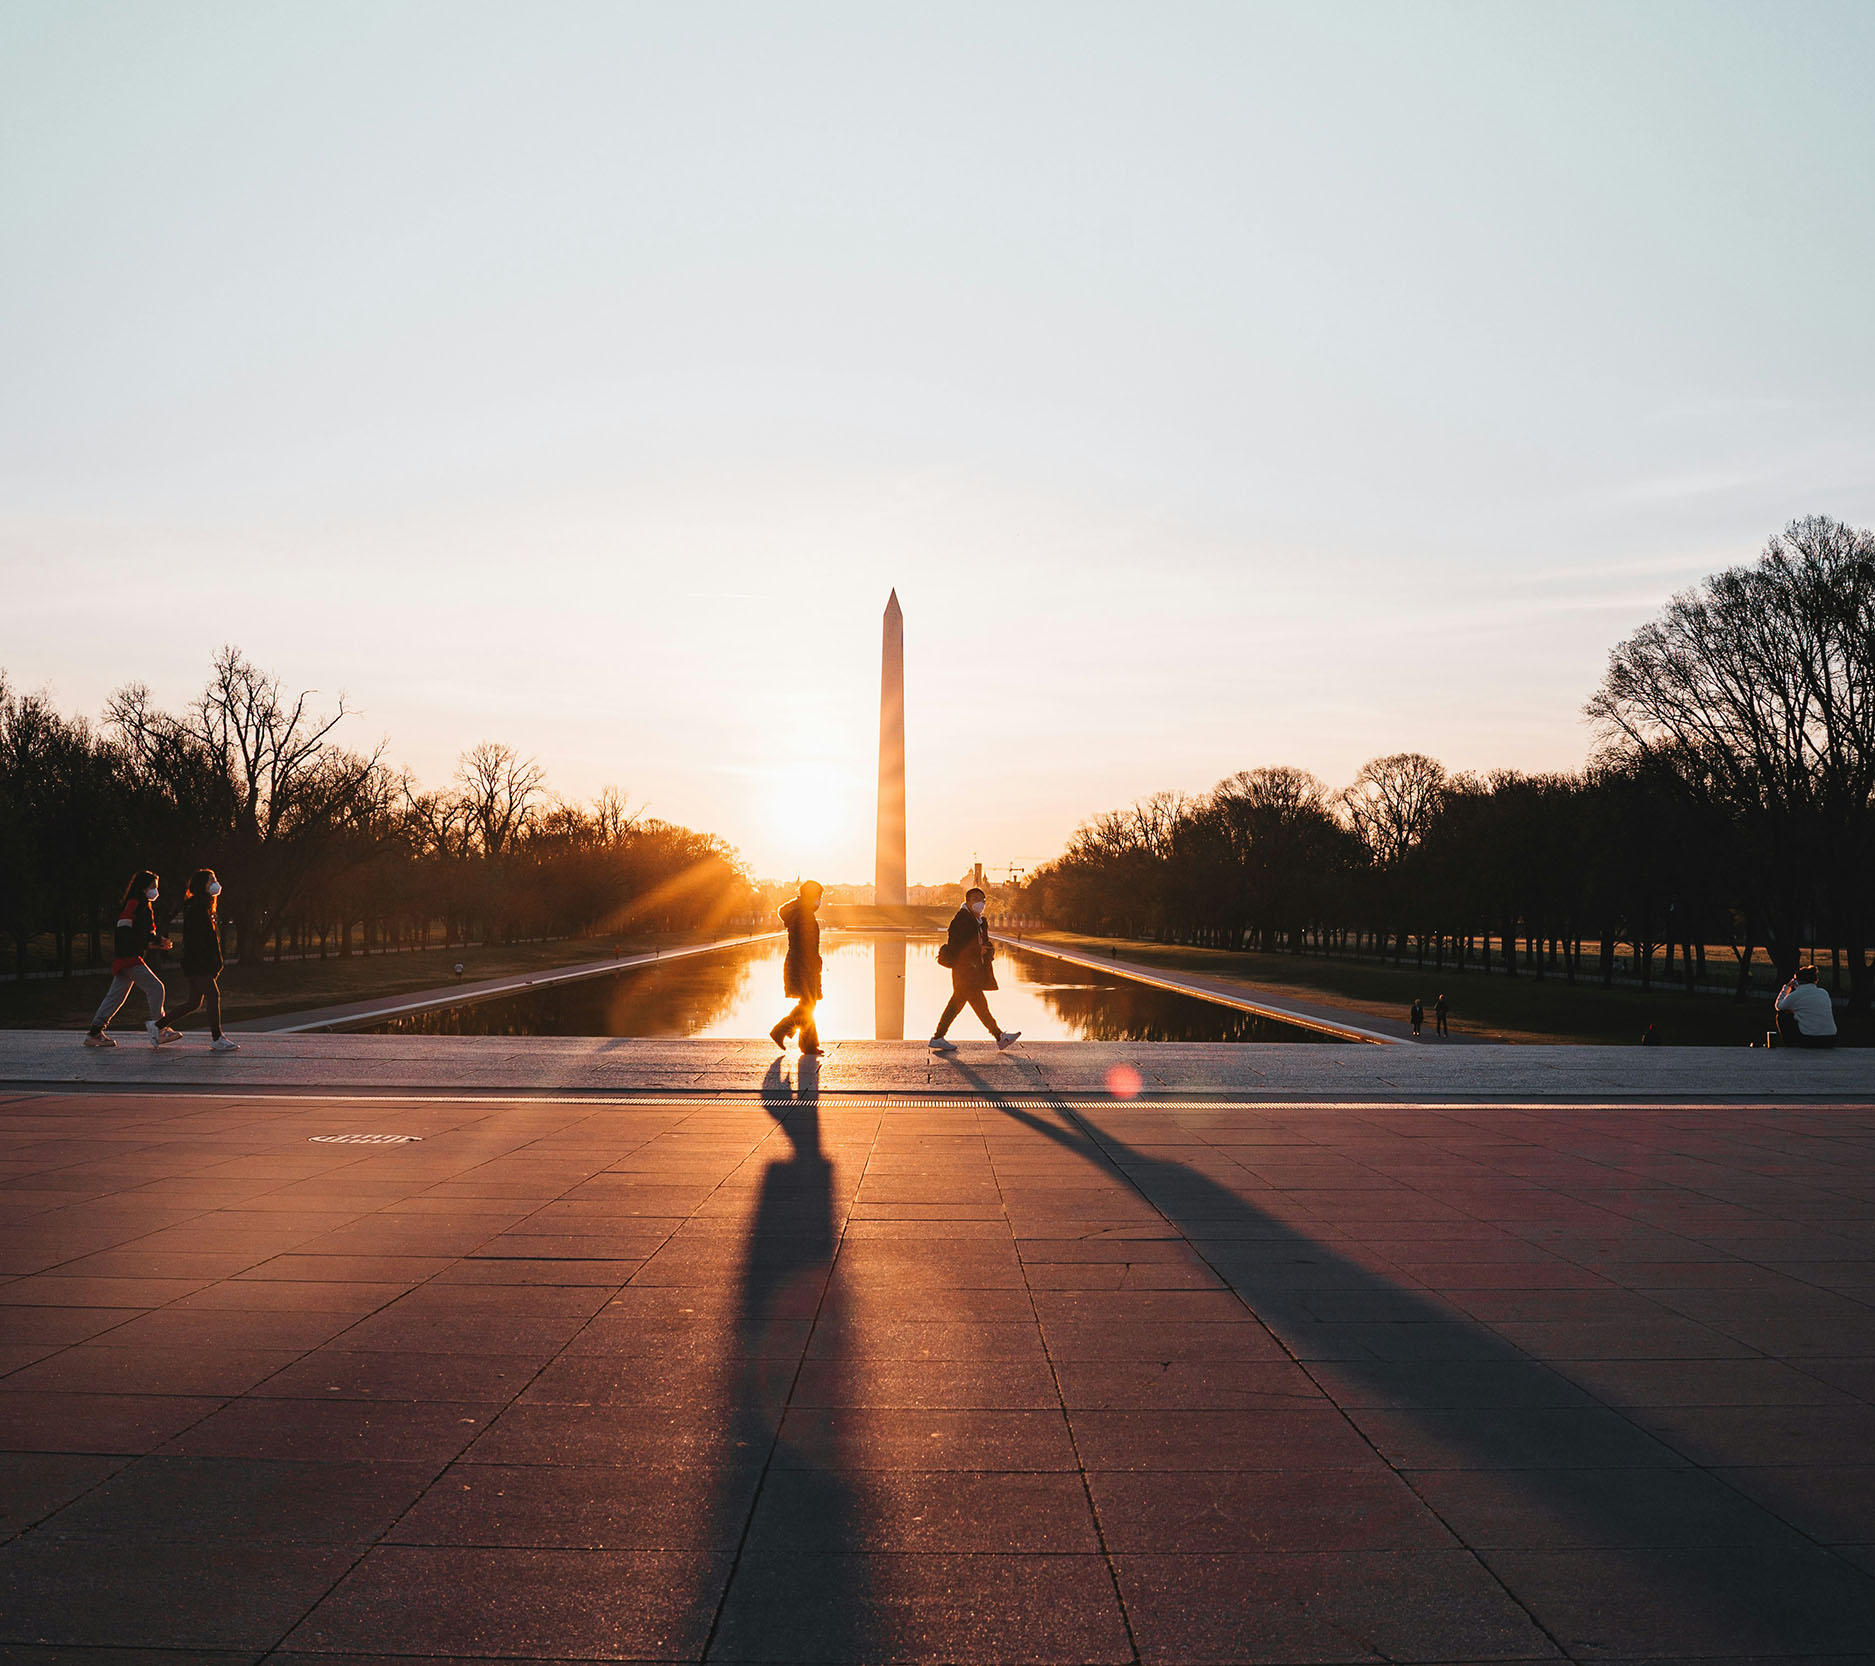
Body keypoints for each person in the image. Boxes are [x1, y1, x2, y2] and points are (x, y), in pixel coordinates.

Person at [85, 870, 180, 1048]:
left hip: (127, 956)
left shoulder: (141, 905)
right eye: (153, 887)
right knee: (156, 988)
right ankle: (160, 1028)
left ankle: (94, 1032)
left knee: (115, 997)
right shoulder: (135, 904)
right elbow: (126, 932)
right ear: (144, 887)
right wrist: (153, 941)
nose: (156, 891)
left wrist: (157, 942)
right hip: (128, 956)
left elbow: (139, 934)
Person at [929, 887, 1020, 1052]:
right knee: (978, 1005)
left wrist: (986, 948)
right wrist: (978, 950)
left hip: (971, 969)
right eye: (977, 899)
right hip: (964, 970)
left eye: (983, 900)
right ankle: (1000, 1037)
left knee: (958, 1004)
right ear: (968, 901)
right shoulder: (962, 919)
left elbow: (981, 941)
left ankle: (938, 1037)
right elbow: (957, 945)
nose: (981, 903)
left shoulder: (977, 920)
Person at [165, 869, 237, 1052]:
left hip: (198, 963)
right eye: (211, 880)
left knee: (193, 1002)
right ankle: (217, 1037)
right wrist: (208, 963)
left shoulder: (203, 905)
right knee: (213, 995)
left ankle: (157, 1026)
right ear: (202, 885)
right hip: (198, 963)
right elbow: (197, 939)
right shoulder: (197, 907)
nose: (215, 883)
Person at [770, 881, 824, 1055]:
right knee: (808, 1003)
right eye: (818, 897)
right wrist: (814, 965)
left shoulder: (800, 912)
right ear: (811, 896)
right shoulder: (804, 915)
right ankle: (781, 1029)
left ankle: (808, 1045)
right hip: (804, 964)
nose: (819, 901)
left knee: (808, 1003)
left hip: (800, 962)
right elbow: (807, 944)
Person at [1775, 965, 1838, 1048]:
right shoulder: (1824, 993)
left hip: (1809, 1039)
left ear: (1797, 981)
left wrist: (1787, 987)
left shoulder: (1796, 995)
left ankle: (1790, 1044)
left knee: (1782, 1016)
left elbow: (1778, 1006)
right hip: (1830, 1039)